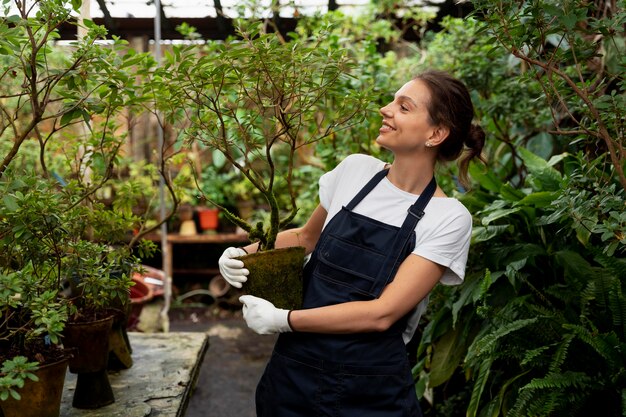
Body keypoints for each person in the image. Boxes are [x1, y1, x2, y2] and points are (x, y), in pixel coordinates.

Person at [218, 70, 486, 417]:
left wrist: (285, 319)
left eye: (403, 107)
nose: (385, 110)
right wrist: (243, 254)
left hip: (371, 391)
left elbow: (382, 313)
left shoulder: (446, 217)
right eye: (392, 101)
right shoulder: (355, 171)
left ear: (435, 133)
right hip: (292, 377)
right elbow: (306, 238)